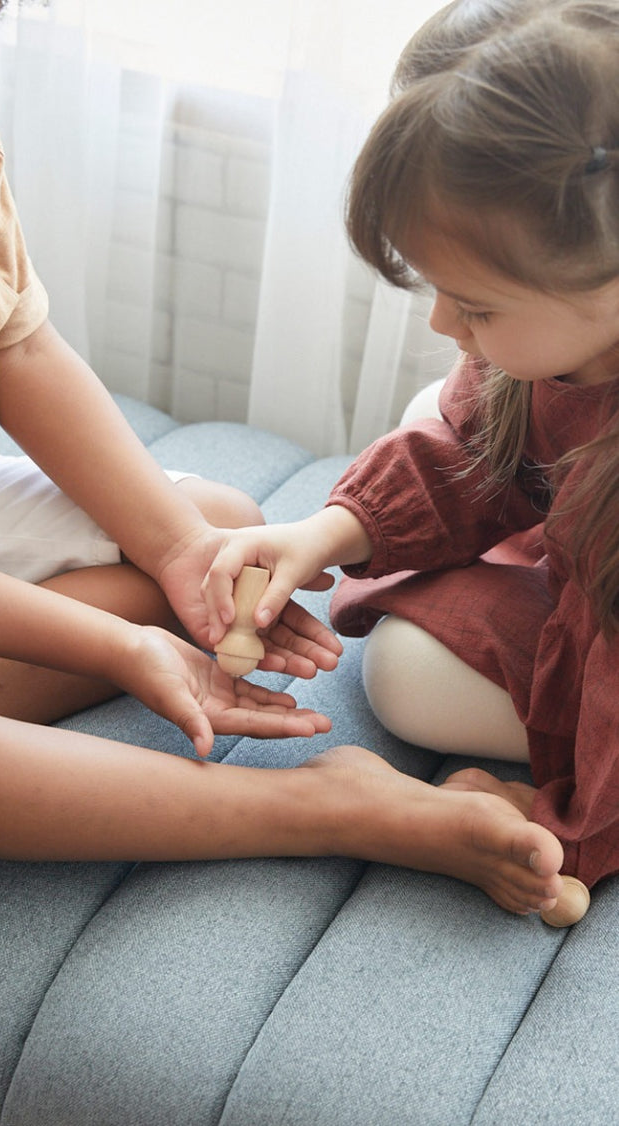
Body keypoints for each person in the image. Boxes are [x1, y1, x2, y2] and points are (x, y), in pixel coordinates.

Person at [0, 0, 564, 921]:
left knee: (225, 542)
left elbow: (21, 350)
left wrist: (174, 551)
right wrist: (123, 651)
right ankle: (322, 806)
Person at [205, 0, 619, 904]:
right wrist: (324, 533)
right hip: (589, 549)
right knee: (441, 406)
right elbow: (467, 444)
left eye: (474, 304)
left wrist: (561, 834)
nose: (440, 321)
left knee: (401, 675)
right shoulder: (567, 344)